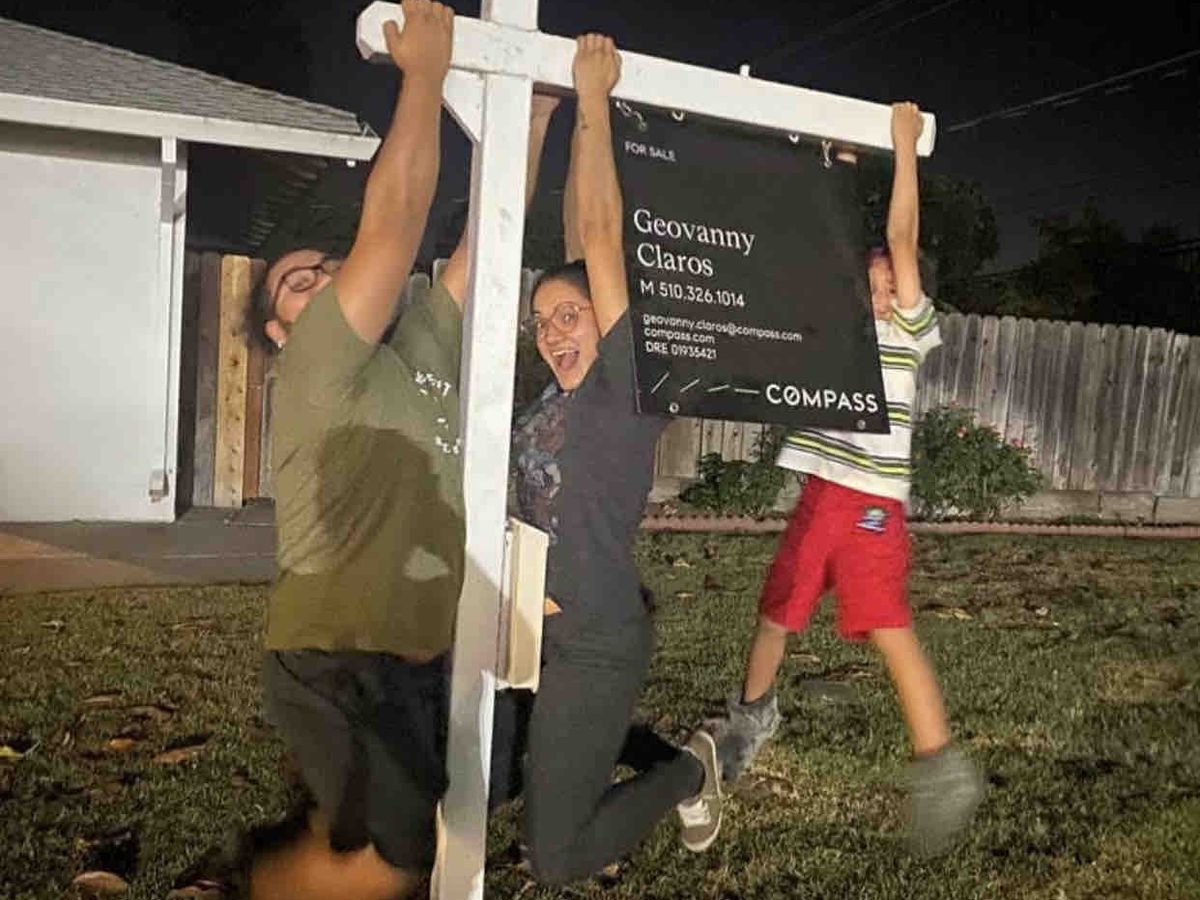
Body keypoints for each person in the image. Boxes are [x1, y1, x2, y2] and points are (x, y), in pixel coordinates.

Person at [239, 3, 561, 896]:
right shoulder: (314, 361)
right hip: (336, 657)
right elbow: (396, 222)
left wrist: (531, 121)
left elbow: (485, 245)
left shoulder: (411, 352)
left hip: (418, 660)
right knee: (400, 859)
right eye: (296, 282)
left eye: (323, 265)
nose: (322, 276)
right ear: (277, 330)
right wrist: (424, 75)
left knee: (430, 839)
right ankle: (251, 879)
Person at [712, 103, 984, 857]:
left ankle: (942, 765)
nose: (878, 293)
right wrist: (839, 172)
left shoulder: (911, 331)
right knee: (778, 610)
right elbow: (822, 248)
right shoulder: (839, 328)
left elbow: (901, 238)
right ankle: (750, 719)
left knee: (887, 622)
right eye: (870, 282)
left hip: (871, 506)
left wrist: (902, 148)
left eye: (890, 283)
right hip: (820, 494)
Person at [498, 35, 723, 887]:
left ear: (609, 317)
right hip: (534, 630)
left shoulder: (627, 383)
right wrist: (550, 120)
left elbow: (597, 236)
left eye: (571, 316)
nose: (552, 332)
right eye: (542, 321)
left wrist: (593, 102)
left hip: (594, 640)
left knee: (555, 857)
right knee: (504, 781)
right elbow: (573, 246)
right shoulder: (556, 398)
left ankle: (690, 771)